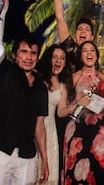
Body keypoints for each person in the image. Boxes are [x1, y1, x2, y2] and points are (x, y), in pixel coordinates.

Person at [0, 0, 49, 184]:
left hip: (27, 155)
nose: (29, 57)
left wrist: (44, 160)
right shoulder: (5, 70)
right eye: (23, 52)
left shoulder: (41, 87)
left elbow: (39, 127)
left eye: (33, 53)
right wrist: (2, 10)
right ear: (15, 55)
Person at [61, 40, 104, 184]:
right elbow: (62, 110)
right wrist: (77, 103)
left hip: (99, 133)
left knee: (99, 173)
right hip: (77, 133)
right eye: (85, 50)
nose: (89, 53)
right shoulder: (72, 78)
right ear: (80, 56)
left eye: (92, 50)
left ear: (97, 56)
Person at [35, 44, 75, 184]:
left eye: (62, 58)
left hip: (50, 129)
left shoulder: (63, 86)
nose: (58, 61)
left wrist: (76, 104)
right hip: (33, 125)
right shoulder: (37, 78)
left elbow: (61, 112)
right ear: (48, 59)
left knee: (47, 175)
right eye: (55, 57)